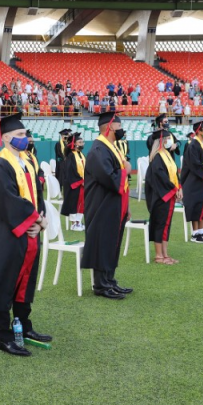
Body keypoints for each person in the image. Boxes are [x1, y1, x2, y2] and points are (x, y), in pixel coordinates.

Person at [0, 112, 51, 356]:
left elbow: (37, 195)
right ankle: (3, 335)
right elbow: (9, 201)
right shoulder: (1, 165)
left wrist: (40, 220)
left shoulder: (27, 161)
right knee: (6, 280)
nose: (25, 138)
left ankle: (24, 324)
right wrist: (35, 219)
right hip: (6, 235)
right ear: (5, 138)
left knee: (26, 279)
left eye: (25, 134)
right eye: (20, 135)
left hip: (29, 232)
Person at [82, 111, 133, 299]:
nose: (121, 130)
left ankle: (110, 281)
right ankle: (101, 285)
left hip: (114, 204)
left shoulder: (111, 147)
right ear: (110, 126)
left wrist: (125, 207)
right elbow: (109, 178)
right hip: (101, 205)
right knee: (103, 243)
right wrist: (125, 169)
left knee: (112, 243)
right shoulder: (98, 150)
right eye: (119, 126)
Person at [144, 129, 181, 264]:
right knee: (160, 224)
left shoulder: (167, 155)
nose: (168, 141)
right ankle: (159, 256)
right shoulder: (157, 157)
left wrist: (179, 187)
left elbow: (174, 173)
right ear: (160, 141)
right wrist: (174, 188)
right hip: (161, 196)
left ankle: (166, 254)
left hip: (169, 194)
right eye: (166, 139)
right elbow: (161, 177)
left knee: (166, 225)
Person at [58, 132, 87, 231]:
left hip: (81, 183)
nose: (82, 143)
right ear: (74, 144)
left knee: (81, 203)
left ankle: (79, 222)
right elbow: (71, 172)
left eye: (82, 142)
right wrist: (80, 181)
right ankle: (73, 223)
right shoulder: (71, 156)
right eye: (80, 141)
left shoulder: (81, 155)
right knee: (73, 203)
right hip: (73, 184)